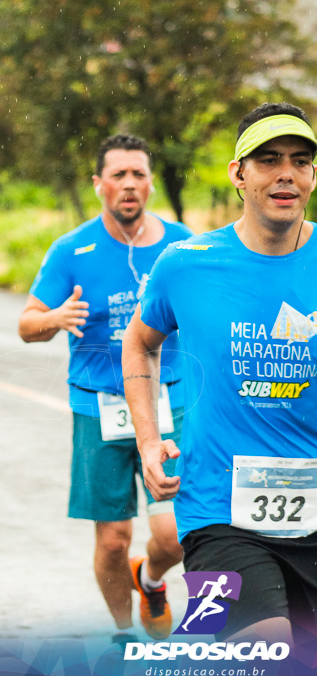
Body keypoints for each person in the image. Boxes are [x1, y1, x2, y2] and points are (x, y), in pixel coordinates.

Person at [123, 102, 317, 644]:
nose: (286, 173)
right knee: (262, 649)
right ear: (238, 173)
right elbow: (139, 343)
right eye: (268, 159)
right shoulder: (186, 264)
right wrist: (148, 439)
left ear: (313, 176)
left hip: (314, 509)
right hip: (217, 511)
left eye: (300, 161)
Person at [18, 134, 192, 643]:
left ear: (151, 182)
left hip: (170, 399)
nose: (130, 184)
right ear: (99, 185)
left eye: (139, 174)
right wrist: (53, 317)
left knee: (174, 534)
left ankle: (152, 578)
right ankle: (124, 635)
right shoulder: (72, 250)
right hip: (99, 406)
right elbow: (26, 325)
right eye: (118, 175)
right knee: (114, 539)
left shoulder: (181, 244)